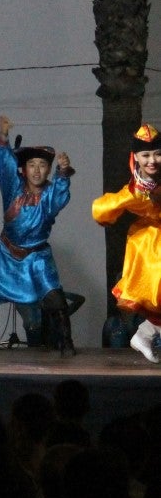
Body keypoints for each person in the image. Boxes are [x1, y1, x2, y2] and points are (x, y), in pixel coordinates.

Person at [0, 116, 76, 354]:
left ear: (48, 169)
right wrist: (3, 139)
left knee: (55, 301)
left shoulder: (50, 194)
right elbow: (5, 166)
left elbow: (61, 197)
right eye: (32, 165)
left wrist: (63, 174)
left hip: (37, 258)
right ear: (23, 169)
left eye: (42, 165)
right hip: (6, 256)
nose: (37, 170)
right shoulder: (13, 189)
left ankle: (67, 342)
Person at [91, 123, 161, 363]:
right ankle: (144, 333)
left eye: (157, 153)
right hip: (151, 247)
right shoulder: (134, 190)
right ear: (136, 157)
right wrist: (107, 215)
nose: (152, 160)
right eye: (145, 155)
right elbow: (102, 208)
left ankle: (145, 333)